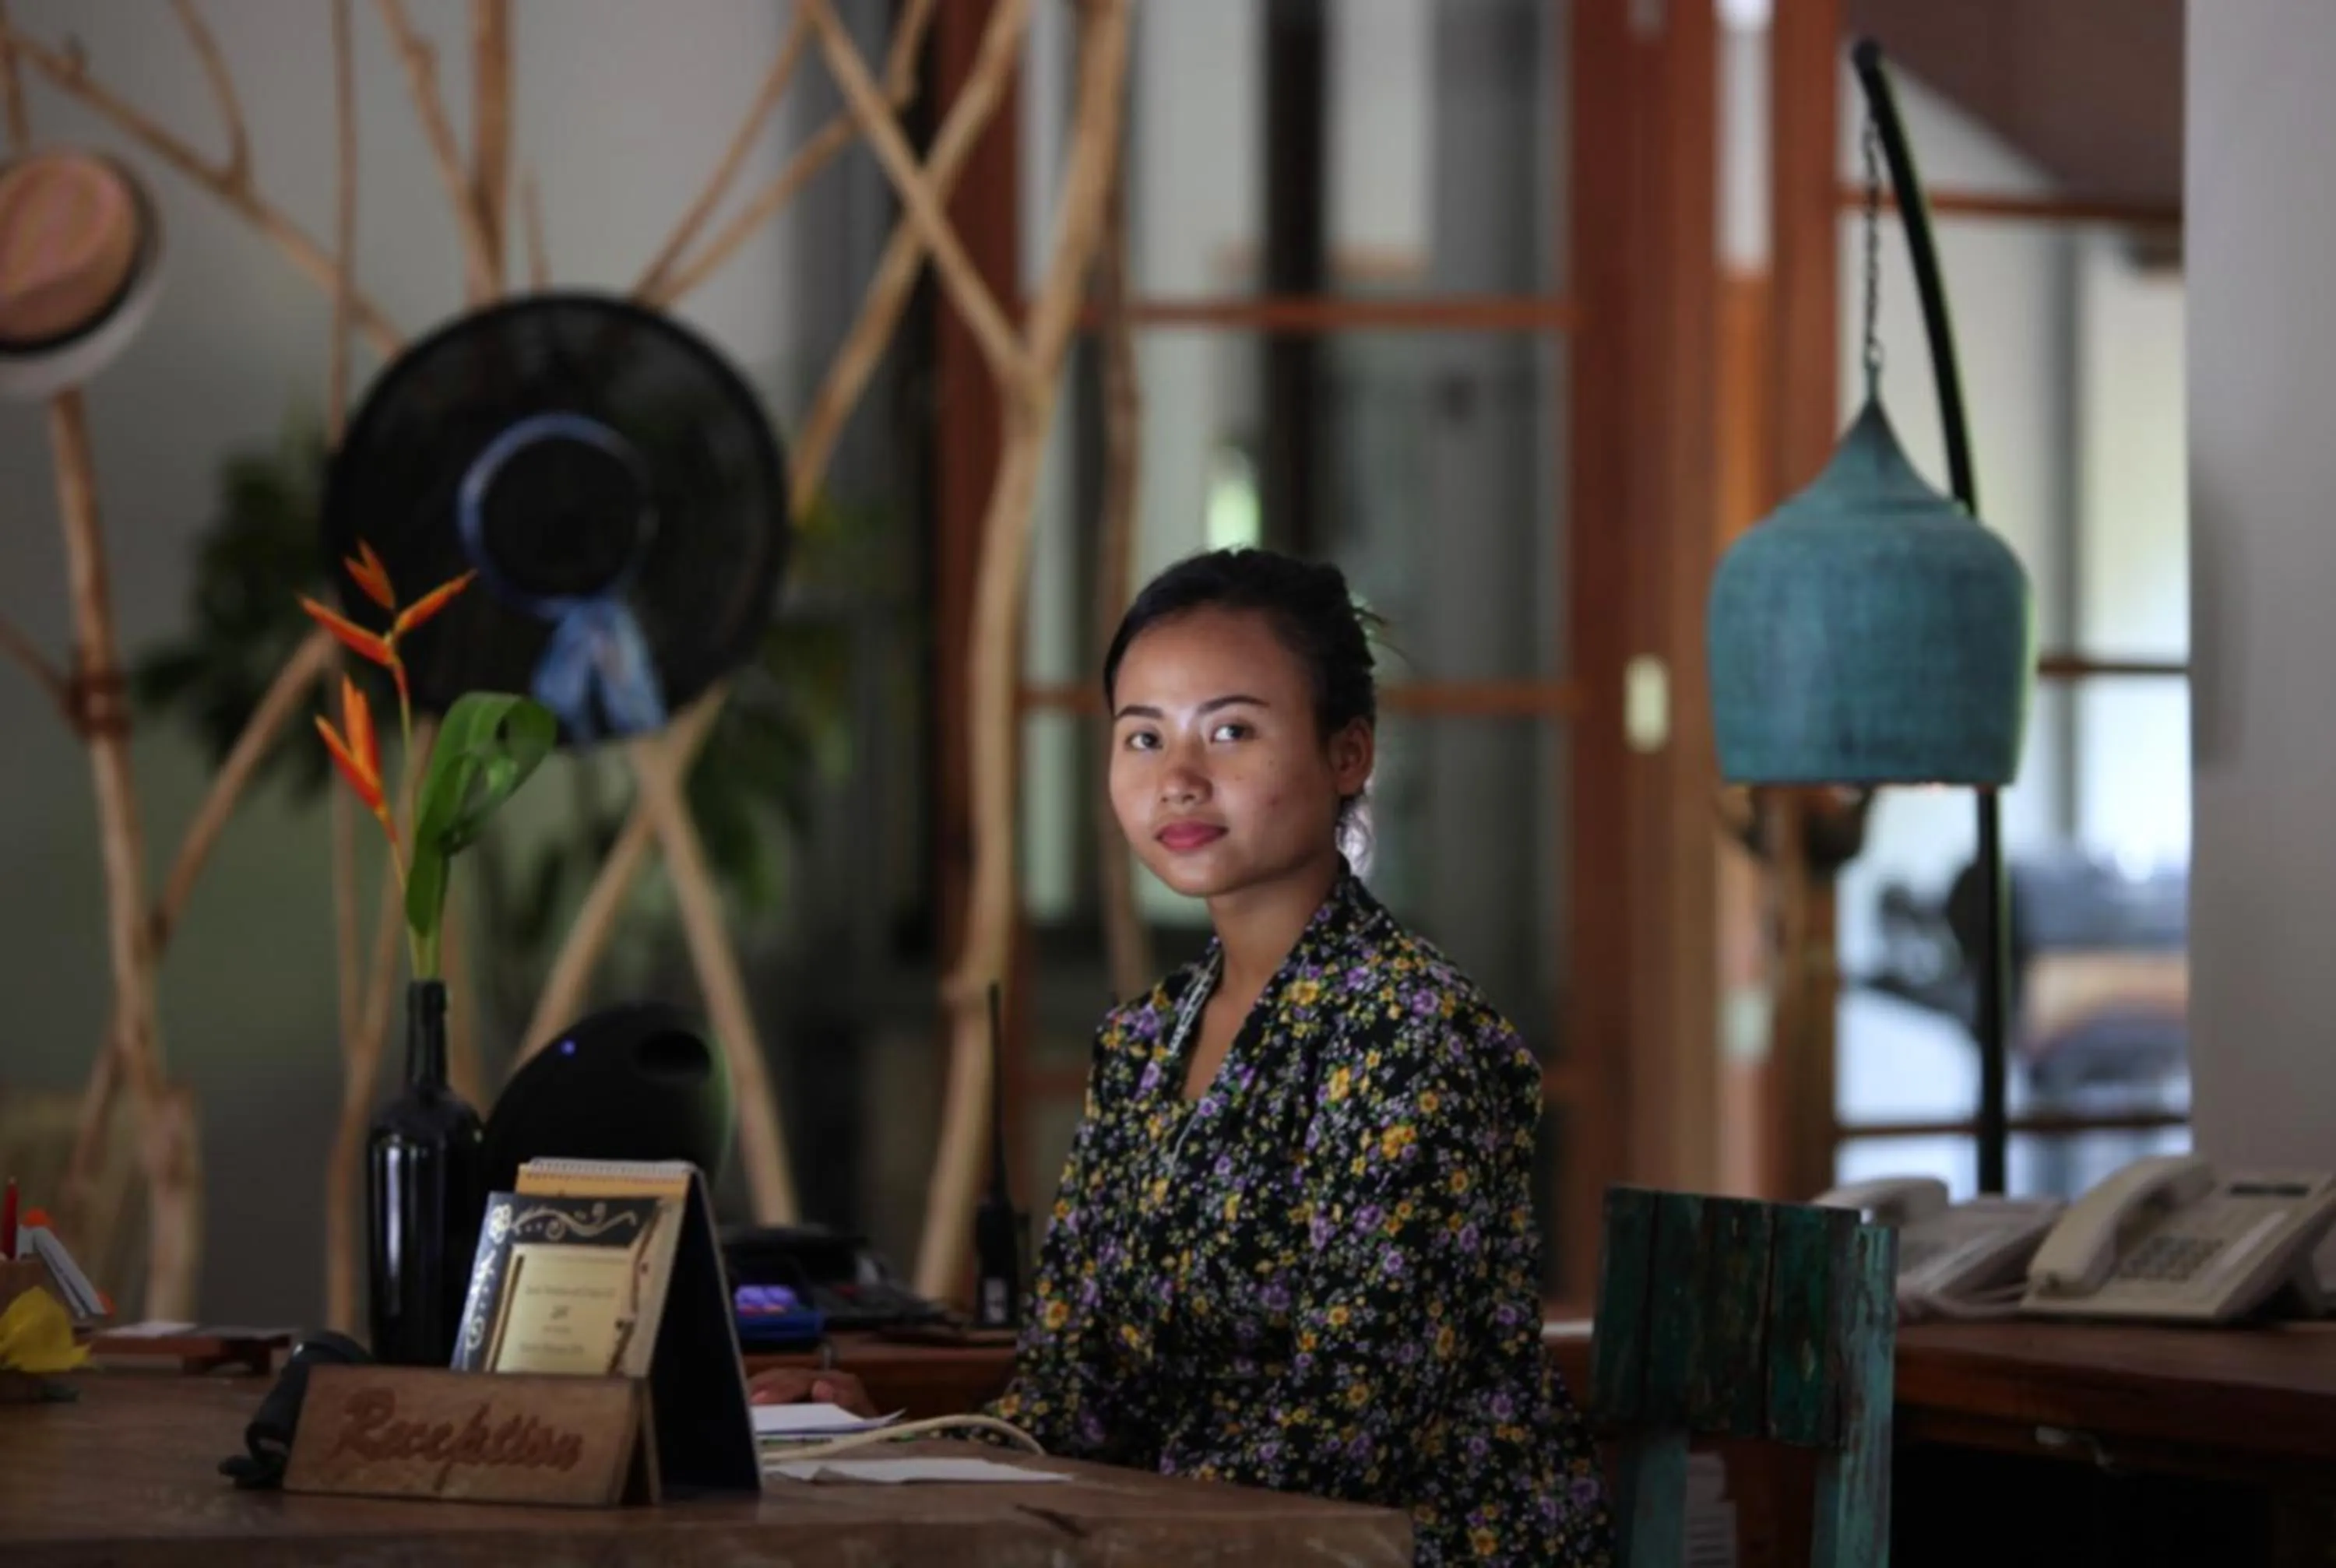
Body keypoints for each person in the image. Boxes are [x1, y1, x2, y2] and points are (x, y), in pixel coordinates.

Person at [752, 547, 1613, 1566]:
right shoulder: (1141, 1041)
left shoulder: (1411, 1030)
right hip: (1187, 1539)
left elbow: (1355, 1419)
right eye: (1143, 736)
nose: (1179, 777)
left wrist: (1107, 1519)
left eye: (1232, 730)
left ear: (1349, 754)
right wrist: (888, 1435)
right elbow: (1077, 1391)